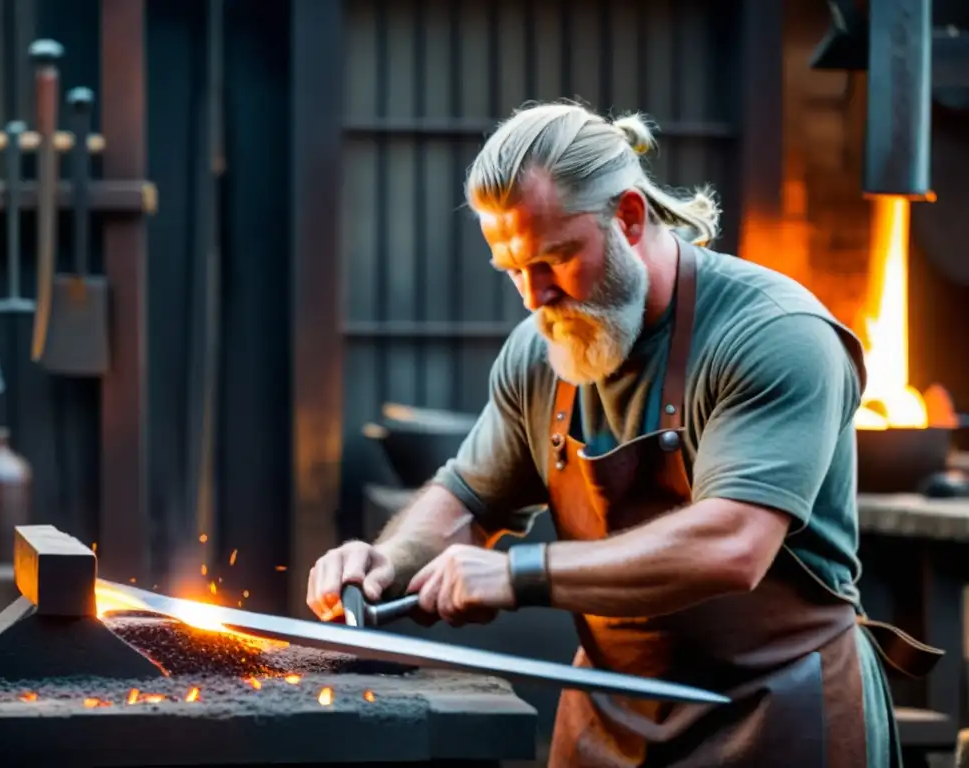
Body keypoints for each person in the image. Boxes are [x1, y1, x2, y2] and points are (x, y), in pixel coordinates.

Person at [307, 101, 938, 767]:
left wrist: (521, 574)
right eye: (513, 268)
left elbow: (733, 545)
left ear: (630, 219)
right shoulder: (538, 351)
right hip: (609, 713)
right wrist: (387, 561)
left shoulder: (774, 334)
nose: (532, 296)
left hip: (780, 713)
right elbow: (467, 501)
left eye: (555, 259)